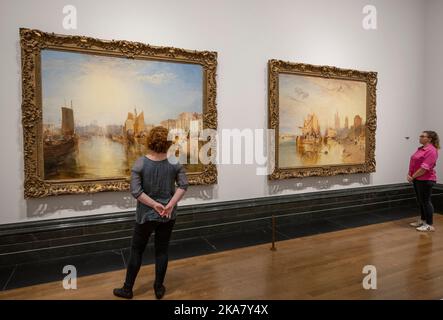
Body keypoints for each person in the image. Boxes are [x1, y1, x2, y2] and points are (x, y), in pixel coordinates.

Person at [113, 126, 189, 299]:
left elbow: (136, 191)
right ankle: (158, 288)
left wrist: (154, 205)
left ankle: (127, 289)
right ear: (168, 142)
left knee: (137, 250)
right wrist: (169, 205)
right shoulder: (174, 163)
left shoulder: (140, 162)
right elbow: (183, 185)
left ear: (150, 141)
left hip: (145, 216)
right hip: (167, 216)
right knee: (162, 251)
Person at [408, 130, 439, 232]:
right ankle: (423, 220)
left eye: (422, 136)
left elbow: (424, 168)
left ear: (429, 139)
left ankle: (429, 225)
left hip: (426, 180)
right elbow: (413, 162)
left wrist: (412, 176)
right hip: (417, 178)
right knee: (420, 201)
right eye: (420, 136)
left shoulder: (431, 150)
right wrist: (409, 174)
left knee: (426, 201)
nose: (420, 137)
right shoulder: (421, 149)